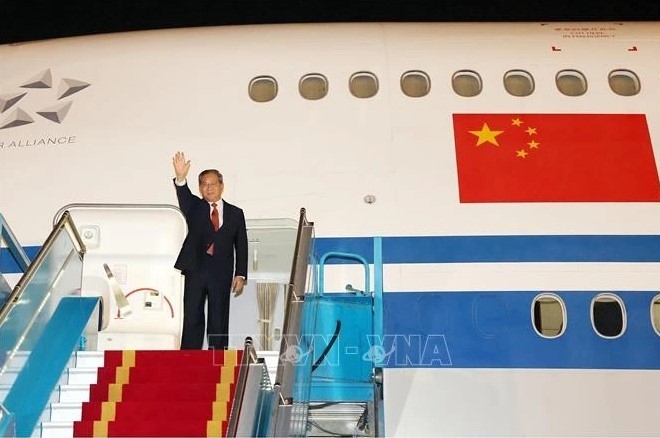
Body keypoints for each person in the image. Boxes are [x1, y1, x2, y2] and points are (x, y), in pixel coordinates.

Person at [172, 151, 248, 350]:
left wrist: (240, 274)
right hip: (196, 269)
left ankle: (218, 356)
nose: (209, 188)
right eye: (204, 184)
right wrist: (181, 178)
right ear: (200, 188)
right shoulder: (194, 207)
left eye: (213, 183)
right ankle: (189, 356)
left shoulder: (236, 213)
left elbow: (241, 245)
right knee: (192, 313)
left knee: (219, 315)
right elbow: (183, 194)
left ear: (221, 186)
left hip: (221, 271)